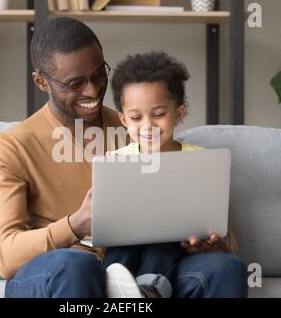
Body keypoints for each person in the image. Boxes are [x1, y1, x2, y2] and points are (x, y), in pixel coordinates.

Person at [0, 17, 248, 298]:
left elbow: (211, 224)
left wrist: (211, 243)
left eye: (99, 74)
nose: (93, 91)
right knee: (77, 266)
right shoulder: (13, 146)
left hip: (141, 273)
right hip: (63, 269)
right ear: (41, 82)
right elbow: (5, 256)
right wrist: (74, 225)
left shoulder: (137, 128)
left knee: (226, 268)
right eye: (76, 83)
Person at [105, 51, 246, 297]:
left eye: (159, 114)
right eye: (136, 117)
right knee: (127, 235)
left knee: (167, 223)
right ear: (123, 120)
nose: (147, 126)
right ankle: (121, 287)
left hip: (178, 249)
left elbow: (222, 232)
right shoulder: (116, 161)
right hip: (126, 256)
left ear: (178, 114)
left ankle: (147, 289)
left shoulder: (201, 160)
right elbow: (103, 226)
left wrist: (213, 241)